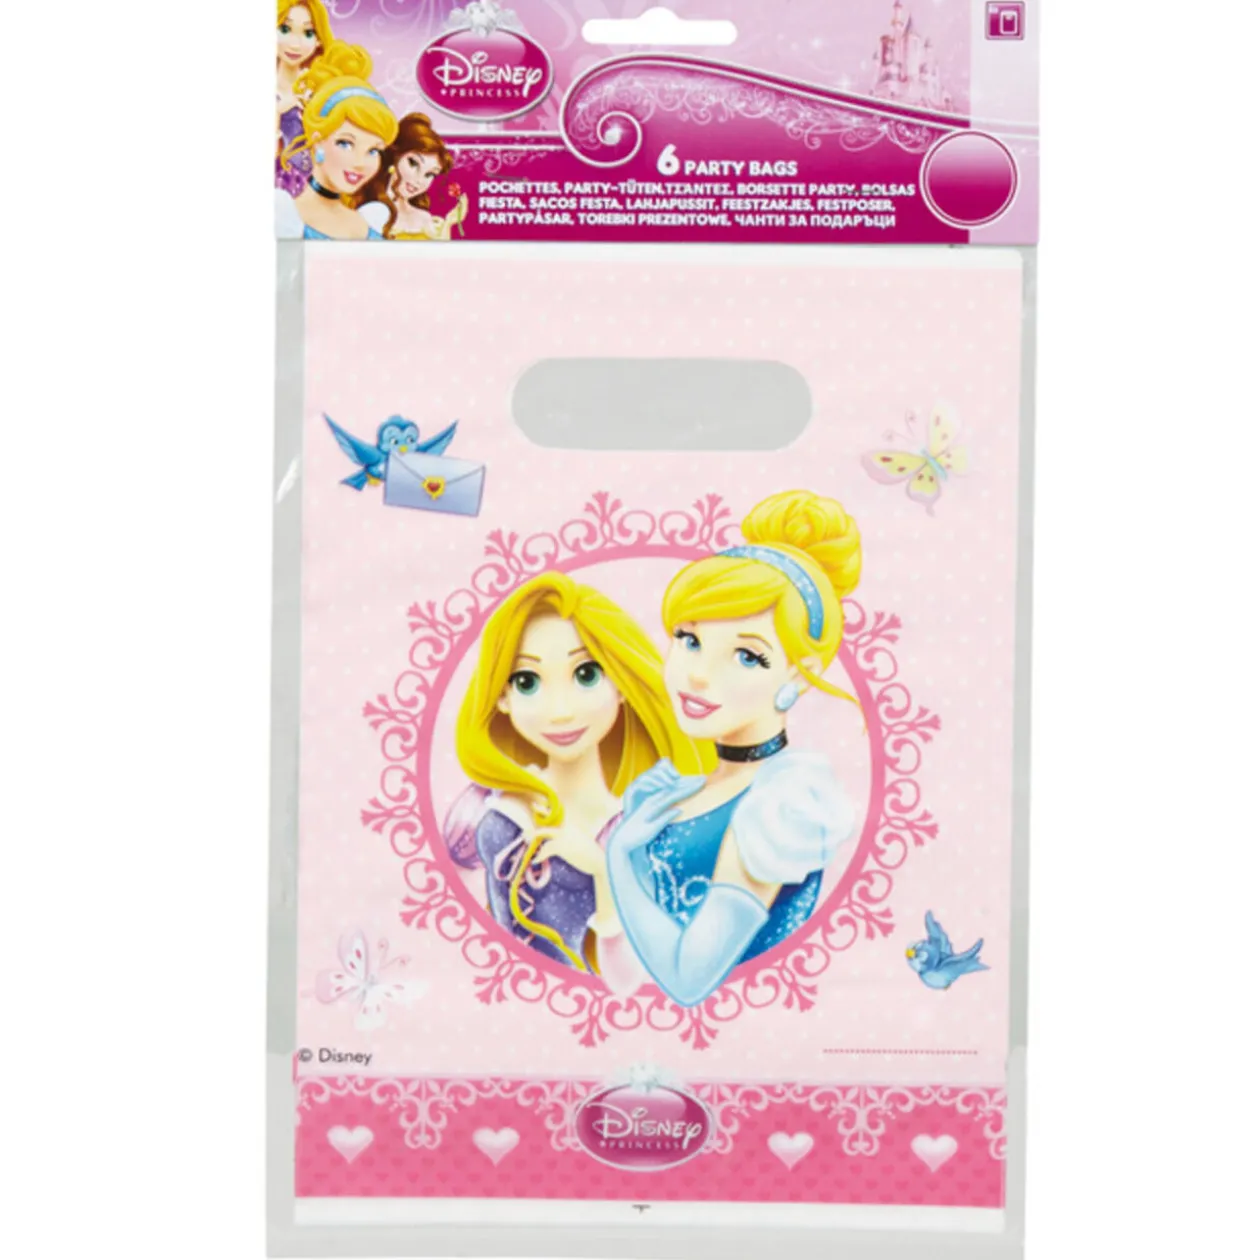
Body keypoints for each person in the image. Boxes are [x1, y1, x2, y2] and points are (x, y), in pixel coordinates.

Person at [604, 491, 862, 1007]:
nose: (698, 674)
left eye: (746, 656)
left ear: (799, 676)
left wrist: (619, 858)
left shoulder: (782, 802)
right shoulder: (687, 790)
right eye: (690, 640)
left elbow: (688, 982)